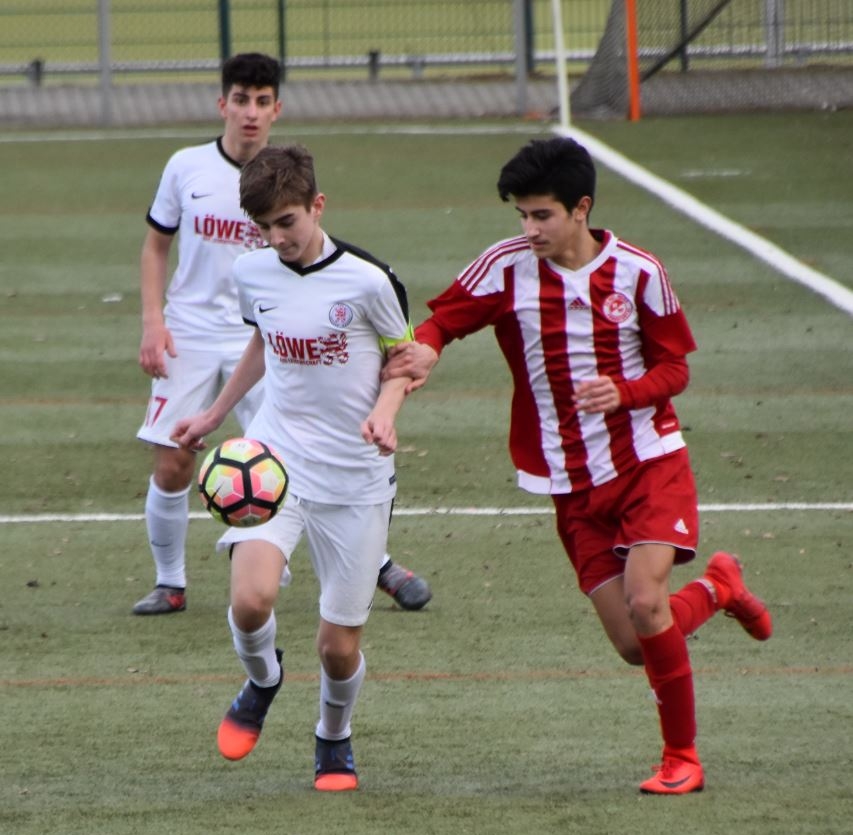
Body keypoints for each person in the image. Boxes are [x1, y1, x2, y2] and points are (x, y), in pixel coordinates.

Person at [382, 136, 773, 794]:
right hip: (570, 483)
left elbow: (674, 367)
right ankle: (717, 589)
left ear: (580, 209)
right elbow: (442, 321)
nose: (529, 229)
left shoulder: (639, 273)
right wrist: (427, 350)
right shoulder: (504, 267)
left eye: (542, 215)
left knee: (646, 601)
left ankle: (681, 758)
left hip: (648, 462)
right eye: (521, 215)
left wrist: (625, 392)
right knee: (634, 643)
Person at [133, 52, 430, 616]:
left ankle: (374, 561)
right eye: (240, 100)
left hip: (280, 339)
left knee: (304, 448)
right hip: (197, 332)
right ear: (222, 104)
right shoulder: (186, 168)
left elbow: (400, 351)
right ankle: (172, 581)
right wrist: (153, 321)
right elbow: (156, 244)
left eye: (262, 101)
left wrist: (396, 391)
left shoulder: (303, 205)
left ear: (277, 109)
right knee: (175, 457)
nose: (250, 112)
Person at [171, 143, 414, 791]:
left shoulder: (370, 282)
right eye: (264, 227)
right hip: (275, 459)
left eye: (287, 222)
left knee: (337, 648)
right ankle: (262, 679)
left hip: (356, 475)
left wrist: (386, 411)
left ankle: (333, 735)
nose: (276, 238)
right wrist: (214, 413)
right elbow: (263, 339)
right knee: (250, 601)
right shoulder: (252, 272)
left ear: (317, 205)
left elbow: (404, 359)